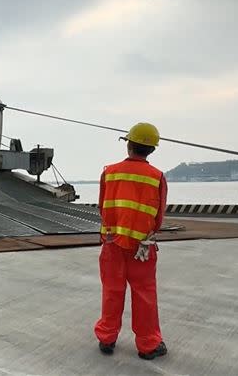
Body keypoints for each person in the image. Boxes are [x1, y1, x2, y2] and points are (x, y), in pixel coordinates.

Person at [94, 122, 168, 360]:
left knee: (112, 291)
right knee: (144, 294)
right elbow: (158, 217)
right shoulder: (157, 177)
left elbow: (102, 206)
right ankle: (148, 345)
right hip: (141, 248)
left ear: (129, 145)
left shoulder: (110, 172)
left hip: (112, 243)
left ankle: (106, 338)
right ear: (152, 150)